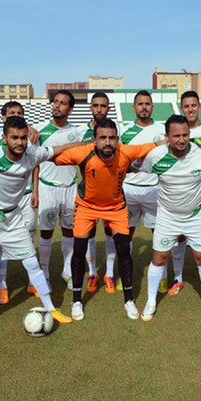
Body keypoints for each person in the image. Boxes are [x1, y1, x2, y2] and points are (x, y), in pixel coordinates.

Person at [0, 116, 74, 355]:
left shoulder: (33, 154)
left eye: (23, 137)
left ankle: (51, 308)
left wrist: (91, 144)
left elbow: (63, 148)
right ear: (4, 138)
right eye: (14, 137)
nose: (20, 142)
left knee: (32, 265)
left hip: (13, 219)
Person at [53, 118, 163, 320]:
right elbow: (52, 155)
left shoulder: (126, 152)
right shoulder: (83, 152)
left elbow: (155, 145)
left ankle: (129, 299)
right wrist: (75, 144)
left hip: (116, 208)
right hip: (86, 207)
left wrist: (177, 140)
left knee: (124, 251)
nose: (107, 142)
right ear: (94, 140)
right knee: (79, 251)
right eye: (102, 138)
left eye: (112, 138)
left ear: (117, 139)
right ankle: (76, 300)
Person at [137, 115, 201, 324]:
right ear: (167, 137)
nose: (182, 139)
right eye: (176, 136)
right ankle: (150, 302)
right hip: (167, 216)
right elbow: (135, 168)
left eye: (185, 135)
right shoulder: (156, 156)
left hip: (196, 216)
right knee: (159, 258)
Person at [170, 90, 201, 296]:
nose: (190, 109)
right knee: (179, 234)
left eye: (193, 105)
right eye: (186, 106)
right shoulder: (175, 129)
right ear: (181, 108)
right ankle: (178, 278)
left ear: (199, 107)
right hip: (181, 189)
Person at [0, 101, 39, 303]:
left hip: (26, 195)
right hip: (3, 198)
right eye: (12, 113)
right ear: (3, 117)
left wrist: (35, 190)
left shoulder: (30, 137)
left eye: (19, 113)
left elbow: (35, 163)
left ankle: (32, 282)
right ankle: (2, 285)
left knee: (28, 237)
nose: (16, 116)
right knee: (2, 241)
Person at [119, 91, 168, 293]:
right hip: (129, 189)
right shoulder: (125, 131)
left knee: (159, 235)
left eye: (147, 103)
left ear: (152, 107)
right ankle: (125, 275)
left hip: (155, 189)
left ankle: (163, 277)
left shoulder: (162, 130)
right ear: (134, 108)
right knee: (126, 235)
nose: (144, 107)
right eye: (140, 104)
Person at [32, 90, 81, 289]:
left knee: (69, 230)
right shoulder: (38, 130)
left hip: (70, 187)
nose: (57, 106)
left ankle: (67, 270)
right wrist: (35, 191)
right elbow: (35, 162)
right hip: (47, 188)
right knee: (46, 232)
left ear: (70, 109)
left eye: (62, 103)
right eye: (55, 102)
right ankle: (44, 271)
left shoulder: (76, 131)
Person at [74, 92, 118, 292]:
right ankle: (93, 273)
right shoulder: (80, 132)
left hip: (111, 194)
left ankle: (109, 274)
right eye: (95, 105)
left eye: (103, 105)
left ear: (109, 108)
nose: (99, 109)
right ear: (90, 108)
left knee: (110, 233)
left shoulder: (117, 130)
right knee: (89, 234)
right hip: (89, 195)